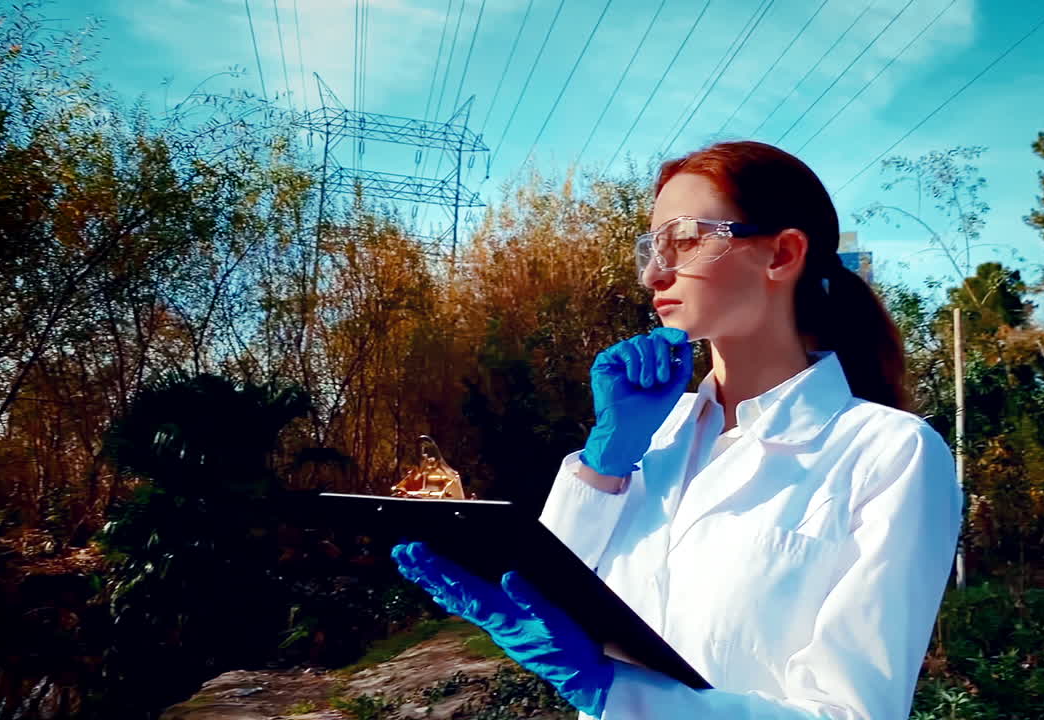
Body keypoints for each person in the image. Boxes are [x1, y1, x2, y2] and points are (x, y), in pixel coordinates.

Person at [393, 140, 963, 719]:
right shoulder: (655, 437)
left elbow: (854, 712)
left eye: (684, 240)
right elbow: (553, 598)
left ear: (782, 253)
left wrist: (616, 692)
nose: (653, 273)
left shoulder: (889, 454)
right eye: (651, 247)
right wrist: (602, 467)